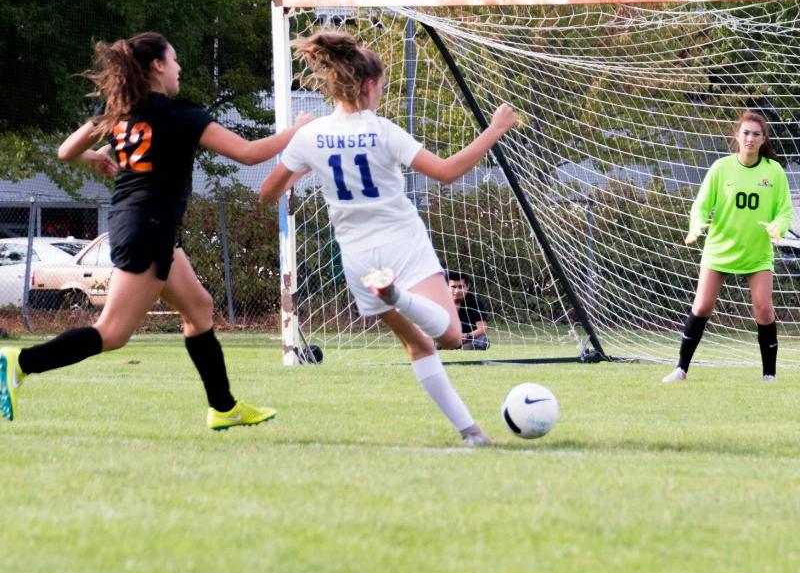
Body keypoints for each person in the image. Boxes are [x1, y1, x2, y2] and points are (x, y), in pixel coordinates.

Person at [0, 31, 310, 429]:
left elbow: (66, 151)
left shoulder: (120, 112)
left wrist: (96, 156)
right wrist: (298, 130)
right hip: (148, 228)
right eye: (175, 60)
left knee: (199, 309)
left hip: (141, 225)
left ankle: (223, 407)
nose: (179, 68)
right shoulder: (181, 115)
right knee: (112, 333)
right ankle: (20, 364)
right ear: (159, 66)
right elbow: (248, 154)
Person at [259, 30, 517, 447]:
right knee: (450, 336)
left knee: (419, 345)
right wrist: (495, 130)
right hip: (402, 241)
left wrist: (302, 168)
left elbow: (268, 193)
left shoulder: (310, 136)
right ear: (367, 85)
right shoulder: (382, 130)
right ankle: (397, 295)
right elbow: (447, 172)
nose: (382, 93)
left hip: (359, 257)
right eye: (381, 86)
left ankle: (472, 433)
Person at [662, 110, 793, 384]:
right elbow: (701, 205)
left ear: (763, 139)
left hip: (756, 254)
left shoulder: (774, 171)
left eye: (756, 134)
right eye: (745, 133)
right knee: (702, 307)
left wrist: (777, 227)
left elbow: (784, 211)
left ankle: (769, 375)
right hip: (719, 250)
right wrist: (695, 225)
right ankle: (681, 369)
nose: (750, 138)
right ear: (737, 136)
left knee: (764, 310)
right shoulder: (721, 168)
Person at [447, 270, 490, 351]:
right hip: (446, 339)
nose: (457, 291)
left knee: (484, 341)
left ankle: (465, 348)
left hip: (468, 339)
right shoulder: (440, 301)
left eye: (461, 287)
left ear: (467, 287)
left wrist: (467, 335)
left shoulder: (475, 301)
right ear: (447, 287)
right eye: (453, 287)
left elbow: (483, 329)